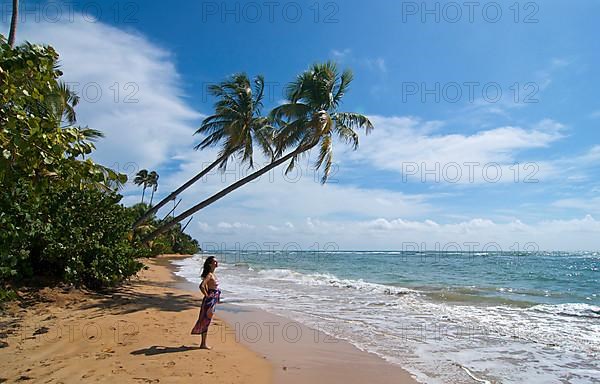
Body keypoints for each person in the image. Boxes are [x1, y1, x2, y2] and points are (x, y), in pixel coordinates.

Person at [191, 256, 221, 349]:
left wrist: (217, 299)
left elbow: (214, 288)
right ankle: (203, 344)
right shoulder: (209, 275)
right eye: (214, 262)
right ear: (210, 264)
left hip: (213, 300)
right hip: (209, 301)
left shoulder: (212, 274)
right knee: (206, 321)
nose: (216, 263)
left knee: (207, 320)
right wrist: (207, 296)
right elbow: (202, 286)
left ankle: (203, 343)